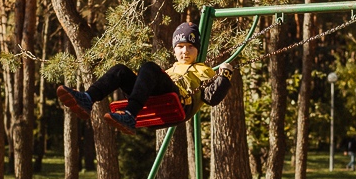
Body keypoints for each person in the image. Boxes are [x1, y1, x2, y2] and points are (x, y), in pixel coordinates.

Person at [57, 22, 235, 135]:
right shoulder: (171, 69)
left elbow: (211, 98)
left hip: (180, 102)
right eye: (180, 46)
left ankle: (129, 115)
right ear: (174, 49)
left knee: (149, 67)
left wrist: (224, 76)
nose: (185, 51)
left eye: (190, 47)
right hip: (158, 98)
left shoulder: (204, 70)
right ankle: (88, 98)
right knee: (120, 70)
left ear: (197, 49)